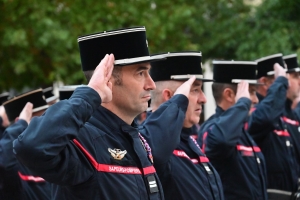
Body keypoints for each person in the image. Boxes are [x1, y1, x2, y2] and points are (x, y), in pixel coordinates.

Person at [13, 27, 179, 200]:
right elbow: (29, 148)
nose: (151, 84)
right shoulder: (82, 140)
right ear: (108, 80)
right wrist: (90, 94)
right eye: (140, 73)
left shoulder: (136, 138)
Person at [140, 52, 224, 200]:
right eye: (195, 90)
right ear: (170, 97)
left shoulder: (188, 139)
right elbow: (156, 152)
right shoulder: (150, 140)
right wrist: (177, 104)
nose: (203, 99)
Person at [199, 60, 267, 199]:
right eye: (250, 93)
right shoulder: (212, 128)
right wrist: (242, 104)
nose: (255, 100)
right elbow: (220, 141)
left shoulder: (241, 131)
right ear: (229, 95)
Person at [248, 53, 300, 199]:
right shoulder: (258, 113)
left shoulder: (282, 116)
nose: (287, 84)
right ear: (264, 82)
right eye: (282, 80)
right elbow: (266, 116)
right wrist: (281, 82)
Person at [0, 89, 51, 200]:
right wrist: (22, 123)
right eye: (40, 119)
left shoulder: (52, 155)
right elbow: (4, 163)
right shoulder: (16, 167)